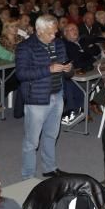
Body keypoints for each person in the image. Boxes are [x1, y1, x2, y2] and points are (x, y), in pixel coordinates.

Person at [15, 15, 71, 179]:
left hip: (57, 94)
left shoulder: (59, 44)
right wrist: (49, 69)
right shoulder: (26, 47)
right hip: (37, 98)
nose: (54, 36)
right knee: (32, 141)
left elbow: (67, 71)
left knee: (51, 135)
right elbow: (21, 74)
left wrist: (68, 69)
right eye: (50, 33)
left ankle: (49, 168)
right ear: (39, 31)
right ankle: (28, 176)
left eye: (55, 32)